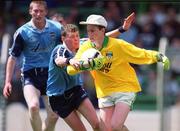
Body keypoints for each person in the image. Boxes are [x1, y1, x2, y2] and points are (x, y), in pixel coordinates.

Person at [67, 14, 170, 131]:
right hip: (104, 91)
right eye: (88, 31)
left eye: (93, 31)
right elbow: (70, 70)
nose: (90, 34)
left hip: (124, 88)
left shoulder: (117, 45)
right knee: (106, 129)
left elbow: (139, 53)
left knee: (115, 126)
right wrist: (84, 65)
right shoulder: (86, 47)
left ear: (102, 30)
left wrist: (158, 56)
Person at [3, 1, 63, 131]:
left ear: (46, 12)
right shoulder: (22, 32)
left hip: (51, 75)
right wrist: (7, 82)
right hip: (31, 75)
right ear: (30, 11)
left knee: (53, 115)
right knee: (34, 106)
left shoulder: (57, 28)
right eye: (35, 11)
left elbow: (69, 46)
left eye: (41, 11)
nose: (38, 14)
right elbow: (12, 58)